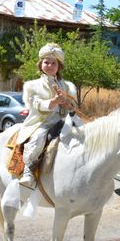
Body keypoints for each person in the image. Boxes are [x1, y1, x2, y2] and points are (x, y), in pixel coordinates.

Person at [16, 43, 77, 188]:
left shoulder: (67, 86)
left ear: (59, 66)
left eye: (53, 63)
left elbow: (73, 106)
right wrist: (54, 102)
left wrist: (69, 105)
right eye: (46, 62)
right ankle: (28, 171)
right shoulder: (32, 85)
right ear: (40, 64)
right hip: (42, 121)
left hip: (63, 120)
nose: (50, 65)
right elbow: (35, 105)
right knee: (38, 138)